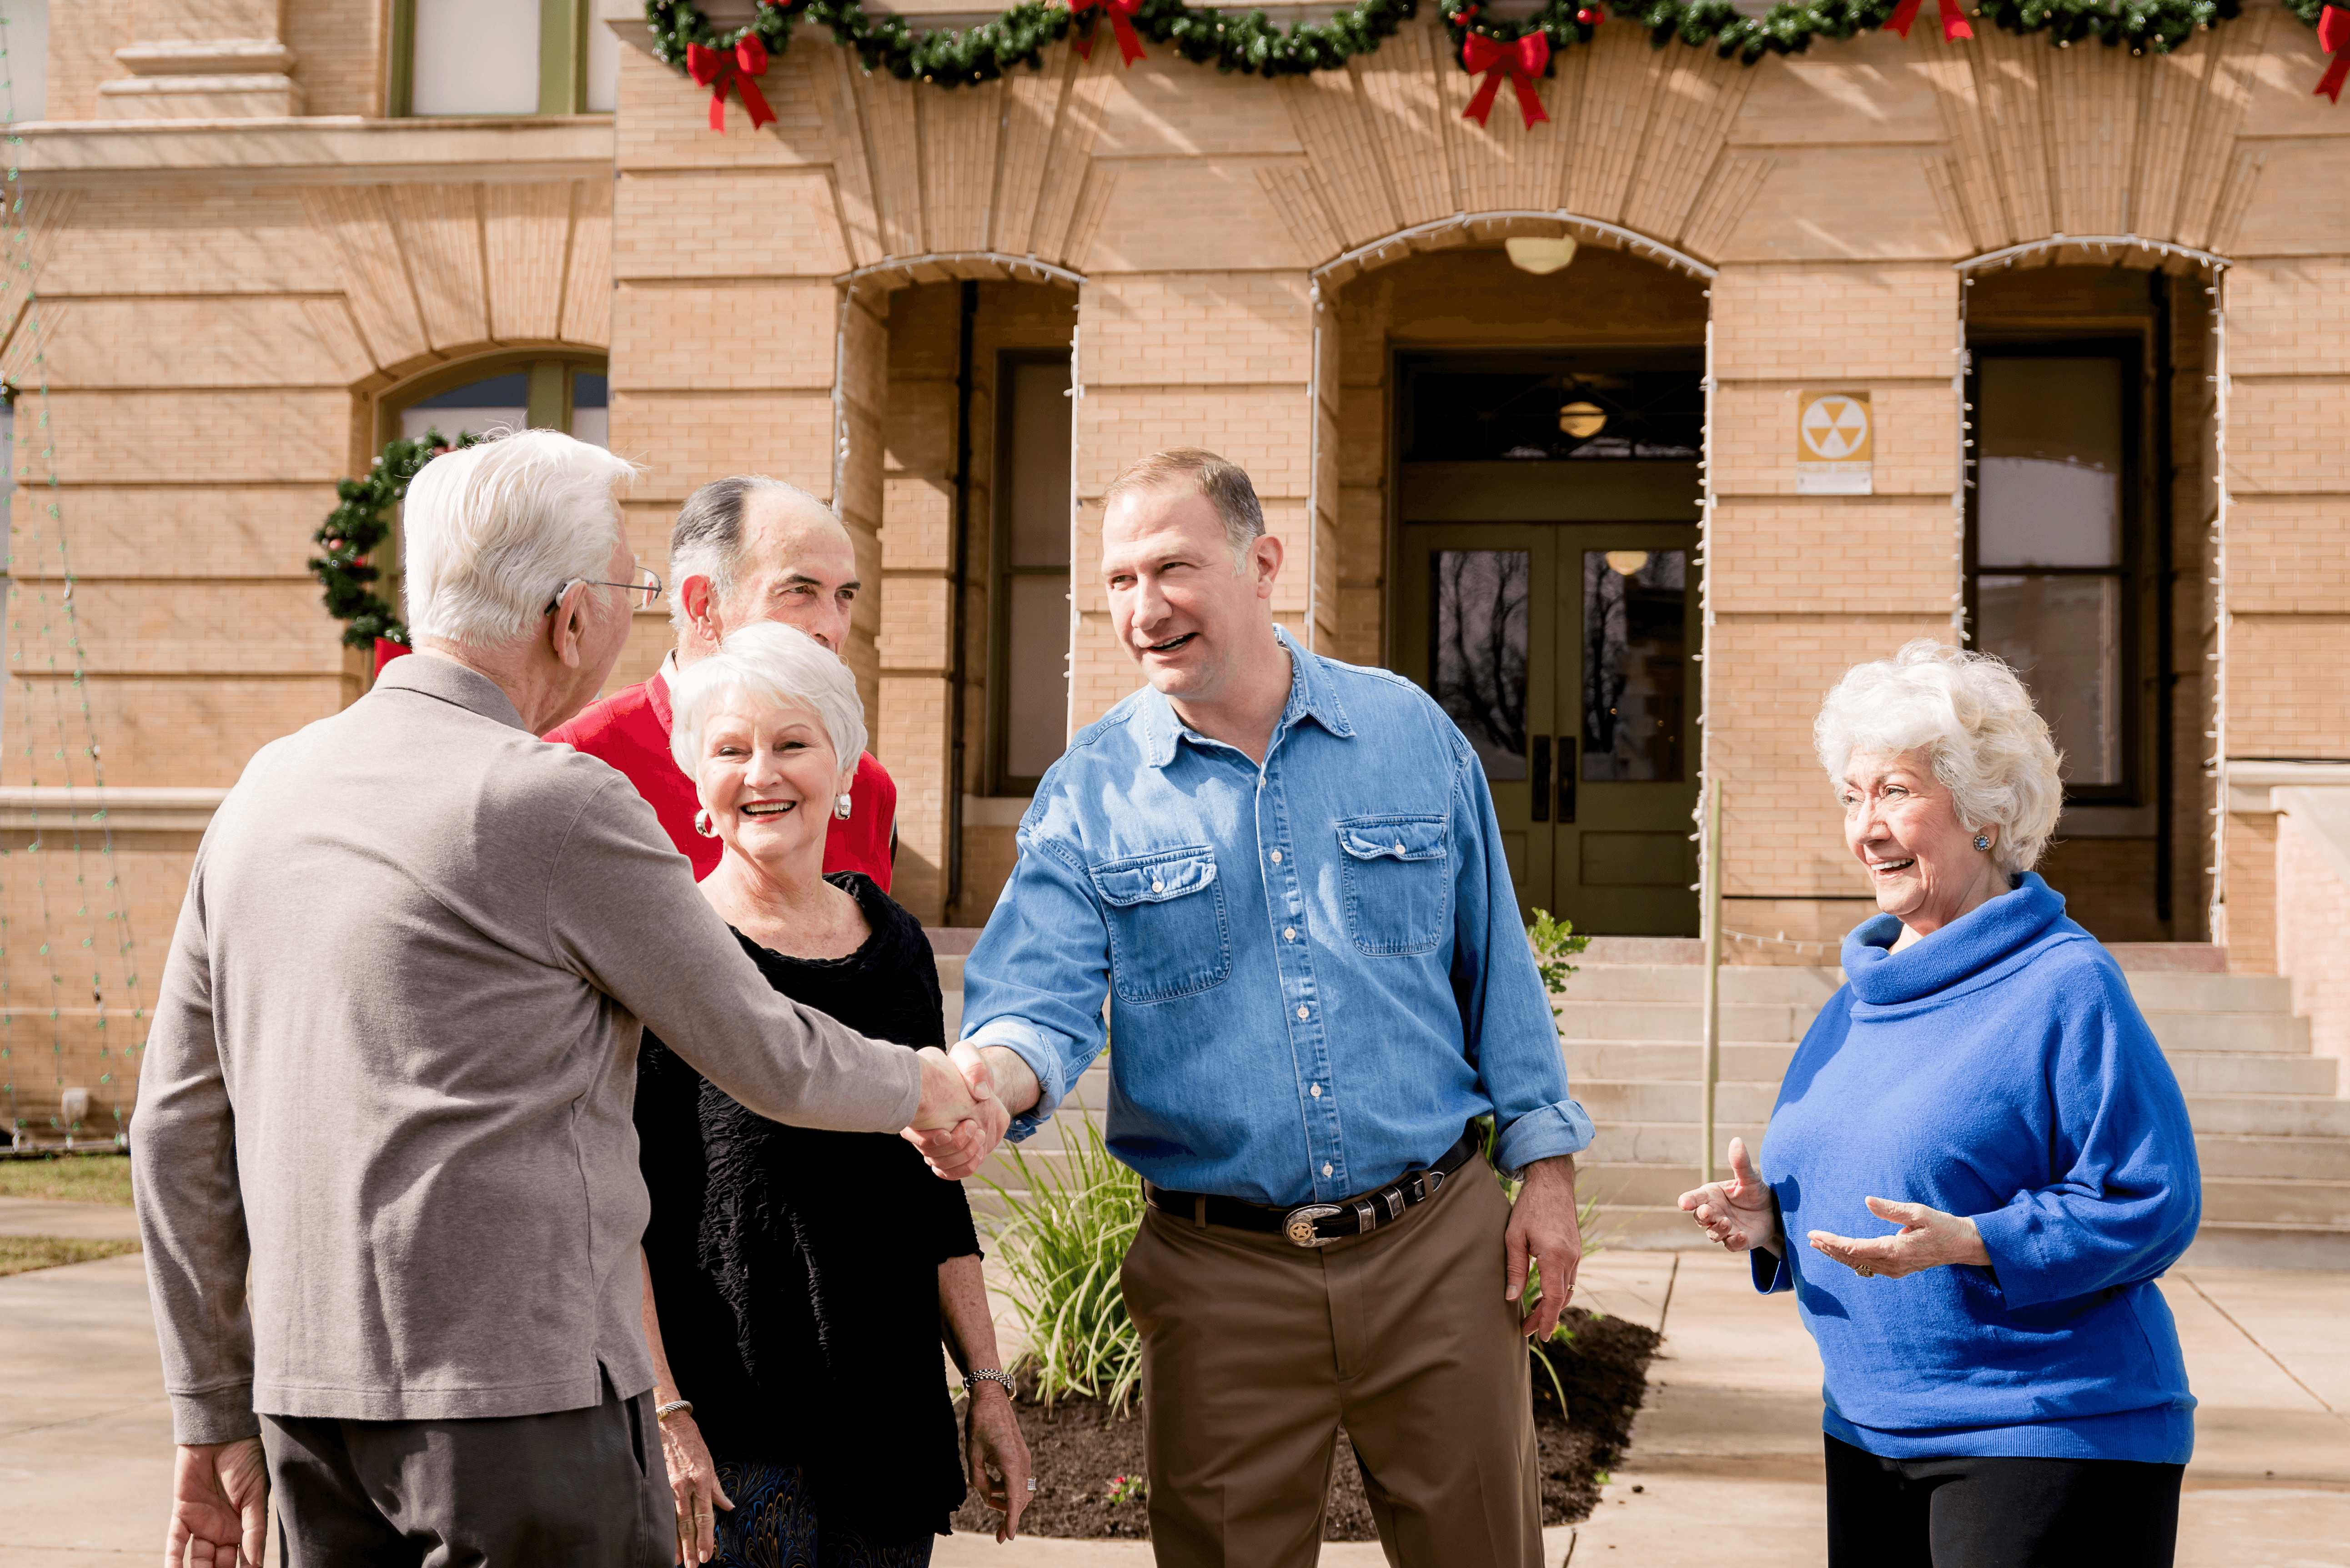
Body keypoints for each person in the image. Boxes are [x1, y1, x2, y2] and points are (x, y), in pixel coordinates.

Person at [133, 431, 998, 1568]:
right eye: (629, 590)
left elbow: (174, 1128)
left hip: (309, 1412)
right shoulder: (550, 799)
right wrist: (930, 1080)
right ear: (567, 614)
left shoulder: (265, 792)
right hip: (522, 1417)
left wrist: (210, 1408)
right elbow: (765, 1048)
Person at [949, 448, 1592, 1568]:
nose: (1143, 609)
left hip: (1436, 1248)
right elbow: (1033, 1006)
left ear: (1262, 562)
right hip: (1220, 1280)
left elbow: (1497, 972)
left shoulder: (1406, 733)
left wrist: (1546, 1170)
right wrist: (985, 1082)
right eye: (1115, 582)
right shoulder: (1089, 792)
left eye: (1172, 569)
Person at [1677, 640, 2200, 1568]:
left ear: (1986, 813)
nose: (1865, 826)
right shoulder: (1860, 995)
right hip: (1870, 1427)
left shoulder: (2064, 983)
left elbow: (2151, 1199)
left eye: (1895, 792)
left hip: (2044, 1431)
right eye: (1851, 794)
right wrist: (1774, 1222)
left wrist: (1976, 1238)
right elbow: (1880, 1178)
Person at [635, 621, 1031, 1566]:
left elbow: (930, 1189)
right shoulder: (667, 949)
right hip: (732, 1441)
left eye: (790, 742)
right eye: (729, 749)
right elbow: (618, 1203)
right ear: (698, 781)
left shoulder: (895, 945)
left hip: (886, 1428)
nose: (760, 771)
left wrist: (985, 1383)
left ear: (843, 766)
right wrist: (666, 1412)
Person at [547, 474, 897, 886]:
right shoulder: (574, 763)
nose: (833, 628)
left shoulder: (868, 785)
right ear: (703, 605)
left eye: (845, 596)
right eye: (800, 590)